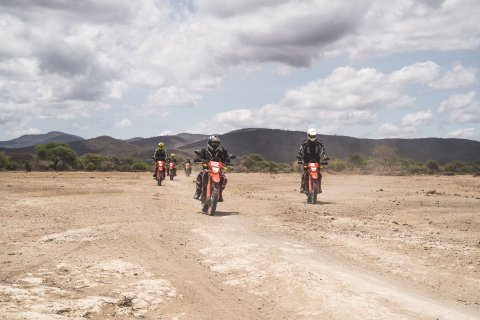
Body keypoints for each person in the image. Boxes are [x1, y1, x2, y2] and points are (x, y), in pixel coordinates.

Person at [193, 135, 232, 201]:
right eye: (213, 143)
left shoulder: (220, 152)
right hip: (207, 169)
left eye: (216, 143)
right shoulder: (204, 150)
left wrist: (225, 154)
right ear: (209, 142)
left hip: (217, 171)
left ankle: (220, 193)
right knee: (200, 175)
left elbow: (227, 161)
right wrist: (200, 159)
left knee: (224, 179)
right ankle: (198, 192)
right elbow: (197, 157)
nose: (215, 144)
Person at [297, 128, 328, 193]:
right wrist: (299, 158)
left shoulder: (319, 142)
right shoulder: (304, 142)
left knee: (319, 174)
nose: (312, 137)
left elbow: (323, 151)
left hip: (317, 161)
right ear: (308, 135)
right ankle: (302, 187)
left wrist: (324, 158)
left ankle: (319, 186)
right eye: (311, 136)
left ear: (316, 135)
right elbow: (301, 150)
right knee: (304, 174)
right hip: (306, 160)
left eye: (314, 136)